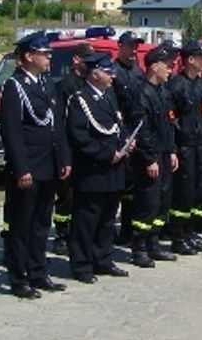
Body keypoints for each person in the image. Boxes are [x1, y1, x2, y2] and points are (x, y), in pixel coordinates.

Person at [0, 31, 71, 299]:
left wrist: (63, 158)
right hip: (29, 167)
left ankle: (39, 271)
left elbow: (56, 126)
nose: (49, 56)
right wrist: (21, 168)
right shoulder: (14, 86)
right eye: (44, 53)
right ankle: (19, 278)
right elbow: (12, 131)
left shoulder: (45, 84)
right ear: (28, 56)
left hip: (48, 165)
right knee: (22, 225)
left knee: (41, 222)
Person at [65, 53, 132, 283]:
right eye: (108, 71)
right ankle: (81, 265)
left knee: (107, 218)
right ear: (95, 74)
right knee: (86, 220)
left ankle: (102, 258)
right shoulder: (79, 99)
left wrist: (126, 144)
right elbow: (79, 137)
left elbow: (117, 125)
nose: (113, 75)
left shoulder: (108, 96)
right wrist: (107, 154)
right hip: (93, 170)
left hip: (114, 168)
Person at [126, 45, 179, 268]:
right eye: (167, 65)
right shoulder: (141, 93)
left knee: (162, 202)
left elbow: (170, 124)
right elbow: (141, 130)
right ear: (154, 66)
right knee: (147, 203)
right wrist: (149, 159)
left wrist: (173, 150)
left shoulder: (164, 93)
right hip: (150, 157)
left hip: (165, 153)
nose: (171, 69)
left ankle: (154, 244)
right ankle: (139, 249)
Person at [166, 40, 202, 254]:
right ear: (190, 60)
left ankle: (191, 233)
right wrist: (174, 149)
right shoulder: (177, 85)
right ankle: (178, 237)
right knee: (183, 194)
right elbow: (171, 119)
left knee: (201, 192)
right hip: (185, 146)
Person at [52, 42, 94, 256]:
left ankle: (77, 232)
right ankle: (61, 234)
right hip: (70, 147)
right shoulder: (67, 85)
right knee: (66, 195)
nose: (90, 63)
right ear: (76, 59)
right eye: (86, 58)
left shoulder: (87, 84)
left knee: (80, 195)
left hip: (85, 149)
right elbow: (60, 121)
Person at [112, 31, 144, 247]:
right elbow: (112, 107)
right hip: (119, 135)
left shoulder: (138, 72)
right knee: (117, 187)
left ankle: (128, 228)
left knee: (133, 186)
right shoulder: (113, 72)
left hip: (137, 133)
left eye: (136, 46)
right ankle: (112, 230)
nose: (134, 50)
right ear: (120, 46)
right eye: (130, 46)